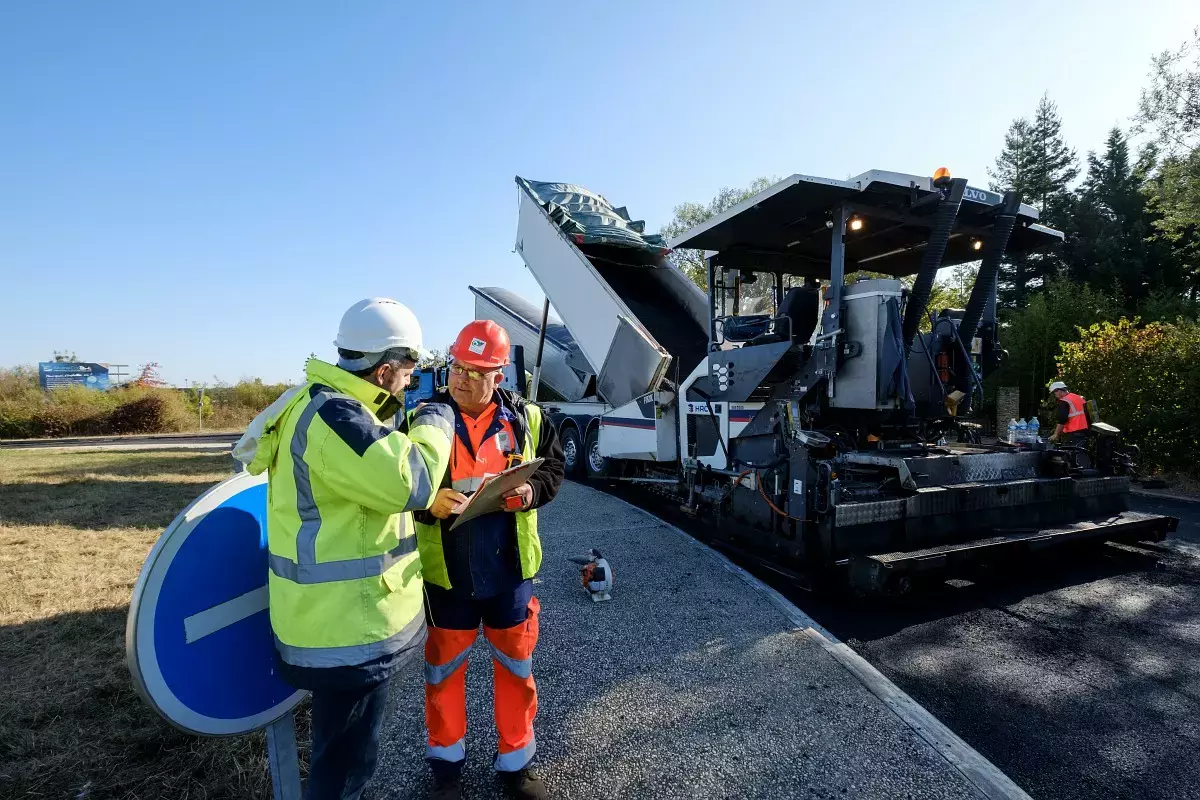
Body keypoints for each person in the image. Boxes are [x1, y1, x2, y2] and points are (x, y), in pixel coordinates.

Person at [234, 297, 455, 800]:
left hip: (335, 622)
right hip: (346, 631)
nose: (412, 378)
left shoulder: (325, 404)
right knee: (344, 770)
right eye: (410, 368)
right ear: (384, 370)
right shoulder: (336, 417)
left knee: (348, 754)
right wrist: (435, 420)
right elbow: (412, 480)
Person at [413, 320, 565, 800]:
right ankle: (446, 769)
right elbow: (395, 484)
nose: (462, 378)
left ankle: (516, 766)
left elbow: (554, 470)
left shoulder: (530, 419)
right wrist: (426, 500)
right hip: (447, 571)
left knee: (516, 668)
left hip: (509, 571)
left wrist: (529, 492)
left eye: (476, 371)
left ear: (499, 376)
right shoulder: (423, 419)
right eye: (458, 366)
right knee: (443, 673)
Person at [1048, 380, 1089, 446]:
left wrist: (1056, 434)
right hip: (1085, 430)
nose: (1055, 395)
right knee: (1080, 452)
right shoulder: (1079, 398)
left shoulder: (1064, 401)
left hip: (1074, 432)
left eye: (1054, 393)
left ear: (1058, 390)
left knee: (1072, 454)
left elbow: (1062, 419)